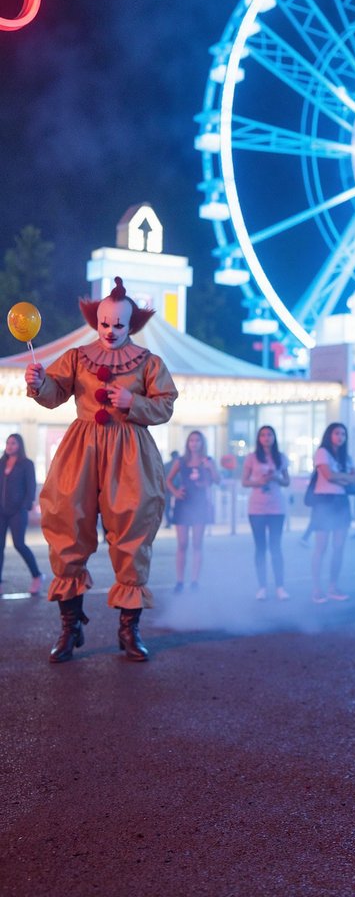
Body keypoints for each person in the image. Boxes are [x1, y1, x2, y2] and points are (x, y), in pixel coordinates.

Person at [24, 277, 177, 662]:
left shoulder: (149, 362)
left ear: (132, 325)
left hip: (130, 454)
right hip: (82, 450)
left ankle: (129, 630)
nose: (110, 331)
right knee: (67, 525)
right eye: (105, 323)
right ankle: (70, 625)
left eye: (119, 325)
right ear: (97, 320)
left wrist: (133, 401)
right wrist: (40, 382)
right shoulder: (76, 357)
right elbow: (53, 394)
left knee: (132, 532)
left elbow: (165, 406)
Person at [309, 422, 355, 603]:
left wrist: (342, 478)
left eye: (343, 434)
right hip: (324, 501)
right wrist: (345, 478)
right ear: (329, 435)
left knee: (339, 547)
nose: (340, 437)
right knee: (321, 547)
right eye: (337, 433)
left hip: (341, 502)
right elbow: (328, 475)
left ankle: (333, 586)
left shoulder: (346, 457)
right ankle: (316, 588)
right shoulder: (322, 452)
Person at [166, 430, 220, 591]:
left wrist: (210, 468)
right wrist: (175, 492)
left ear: (202, 443)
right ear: (187, 443)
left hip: (200, 504)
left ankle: (195, 581)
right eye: (191, 440)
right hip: (183, 504)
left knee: (197, 544)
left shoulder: (208, 460)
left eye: (197, 440)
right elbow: (168, 480)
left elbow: (218, 480)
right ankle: (180, 581)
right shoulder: (181, 461)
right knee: (182, 544)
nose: (194, 443)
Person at [242, 425, 290, 600]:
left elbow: (286, 481)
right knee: (260, 547)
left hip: (277, 507)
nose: (266, 438)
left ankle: (280, 587)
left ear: (274, 437)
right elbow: (244, 481)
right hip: (257, 507)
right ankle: (262, 586)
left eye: (269, 434)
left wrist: (276, 477)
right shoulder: (252, 458)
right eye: (262, 435)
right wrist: (259, 481)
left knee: (276, 546)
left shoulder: (281, 457)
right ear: (258, 438)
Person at [0, 433, 44, 595]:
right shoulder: (1, 462)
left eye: (13, 443)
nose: (9, 446)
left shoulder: (26, 464)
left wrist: (26, 506)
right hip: (1, 511)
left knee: (19, 544)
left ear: (19, 445)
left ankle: (37, 576)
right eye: (8, 443)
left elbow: (31, 486)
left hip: (17, 511)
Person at [162, 449, 179, 528]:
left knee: (168, 507)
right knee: (168, 506)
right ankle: (170, 521)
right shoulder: (179, 464)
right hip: (171, 488)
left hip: (170, 488)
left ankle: (170, 522)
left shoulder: (166, 465)